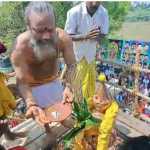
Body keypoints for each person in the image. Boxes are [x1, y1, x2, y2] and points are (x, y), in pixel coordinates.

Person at [11, 2, 76, 149]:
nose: (46, 36)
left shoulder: (63, 38)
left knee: (60, 108)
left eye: (50, 29)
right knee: (43, 116)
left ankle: (62, 120)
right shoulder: (20, 46)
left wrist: (69, 86)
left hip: (54, 81)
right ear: (28, 27)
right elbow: (21, 82)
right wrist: (31, 103)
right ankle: (48, 130)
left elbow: (72, 65)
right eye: (39, 30)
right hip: (32, 88)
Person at [65, 1, 109, 109]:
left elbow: (103, 34)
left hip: (90, 58)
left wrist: (97, 36)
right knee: (76, 91)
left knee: (89, 90)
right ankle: (77, 115)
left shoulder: (103, 13)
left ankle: (86, 113)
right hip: (76, 59)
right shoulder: (74, 12)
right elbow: (67, 37)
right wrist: (86, 36)